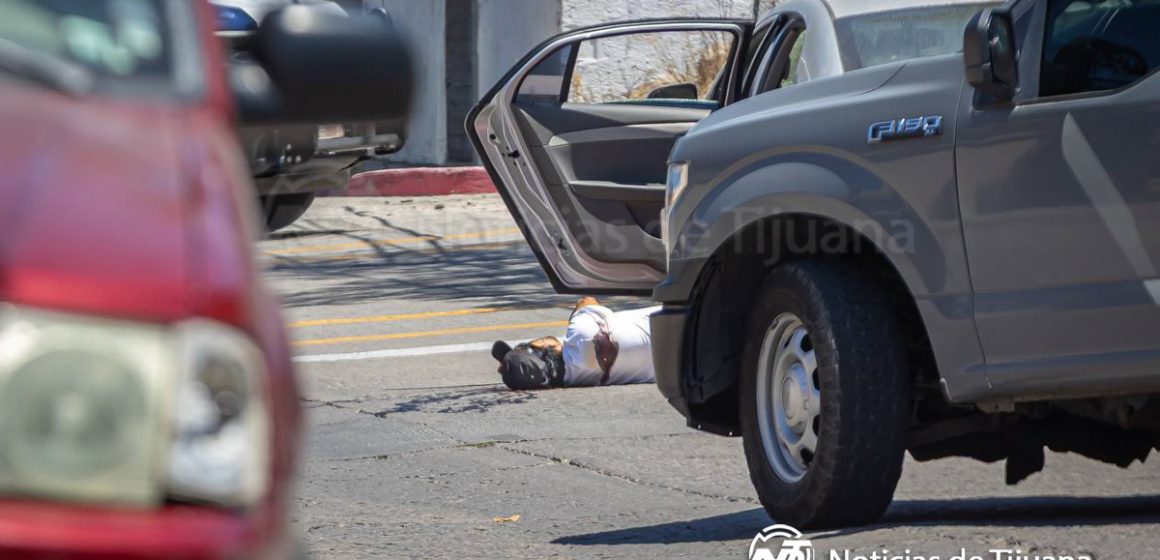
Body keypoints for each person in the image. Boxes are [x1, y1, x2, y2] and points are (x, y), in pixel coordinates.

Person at [491, 297, 661, 390]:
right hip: (676, 323)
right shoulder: (580, 334)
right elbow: (586, 301)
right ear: (541, 344)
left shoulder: (579, 380)